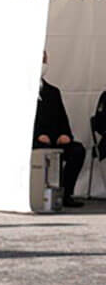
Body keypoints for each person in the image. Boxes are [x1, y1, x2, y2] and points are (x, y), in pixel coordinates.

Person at [34, 51, 85, 208]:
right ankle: (37, 194)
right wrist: (37, 136)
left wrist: (65, 134)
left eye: (45, 60)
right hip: (35, 141)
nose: (43, 63)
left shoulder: (53, 92)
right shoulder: (21, 92)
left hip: (54, 139)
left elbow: (63, 118)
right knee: (42, 150)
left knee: (77, 150)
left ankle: (65, 193)